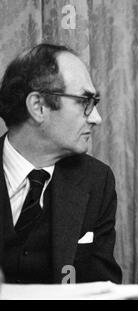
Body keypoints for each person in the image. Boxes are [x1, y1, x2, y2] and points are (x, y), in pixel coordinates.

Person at [0, 43, 122, 284]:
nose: (96, 118)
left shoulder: (97, 181)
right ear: (39, 106)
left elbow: (102, 287)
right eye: (84, 101)